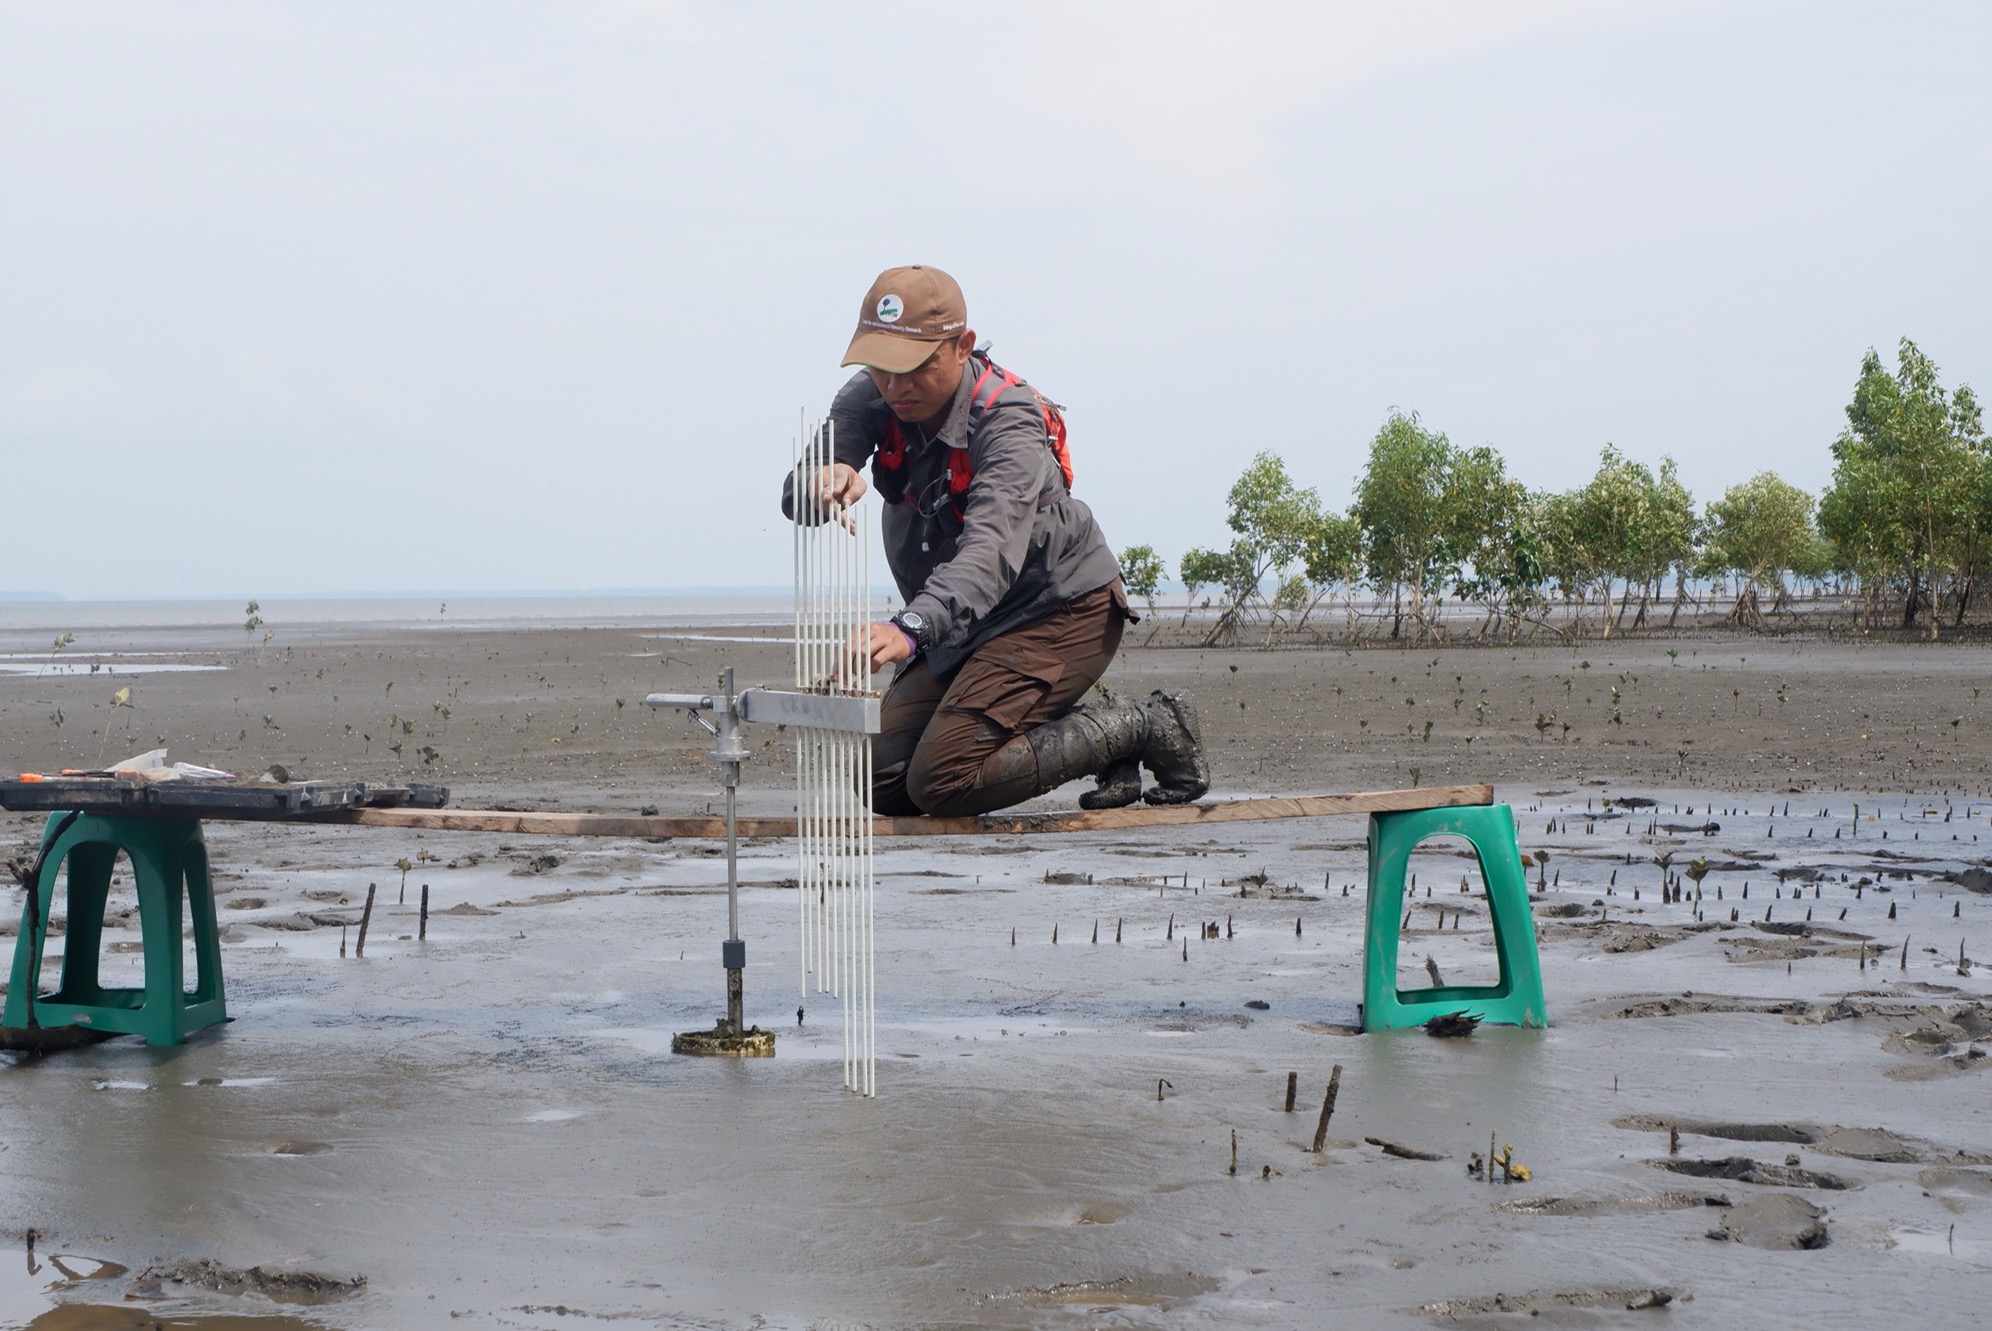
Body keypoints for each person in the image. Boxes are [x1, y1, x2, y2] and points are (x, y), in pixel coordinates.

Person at [782, 264, 1207, 818]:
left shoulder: (1008, 420)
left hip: (1056, 609)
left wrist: (909, 629)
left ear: (961, 347)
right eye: (881, 368)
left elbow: (987, 555)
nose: (896, 386)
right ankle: (1072, 728)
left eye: (914, 367)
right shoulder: (870, 397)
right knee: (879, 778)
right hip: (966, 620)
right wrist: (825, 478)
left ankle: (1139, 726)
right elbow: (795, 493)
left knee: (943, 782)